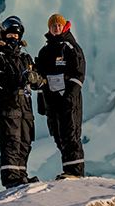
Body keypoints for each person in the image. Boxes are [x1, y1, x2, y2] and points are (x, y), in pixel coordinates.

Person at [0, 15, 45, 188]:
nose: (13, 38)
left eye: (16, 35)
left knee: (25, 140)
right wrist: (16, 78)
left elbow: (40, 81)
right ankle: (11, 178)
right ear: (3, 35)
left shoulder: (25, 59)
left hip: (25, 103)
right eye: (10, 35)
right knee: (11, 140)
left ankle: (21, 174)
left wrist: (34, 78)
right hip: (7, 102)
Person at [35, 13, 86, 179]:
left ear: (64, 27)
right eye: (53, 26)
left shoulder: (70, 47)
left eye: (59, 25)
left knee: (70, 133)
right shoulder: (45, 51)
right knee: (58, 135)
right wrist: (41, 102)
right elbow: (40, 78)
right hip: (52, 99)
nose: (56, 28)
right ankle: (68, 170)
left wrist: (70, 95)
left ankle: (76, 173)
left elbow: (79, 73)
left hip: (67, 98)